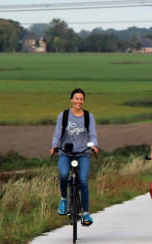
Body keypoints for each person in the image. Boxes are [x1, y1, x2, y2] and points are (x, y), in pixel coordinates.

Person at [50, 88, 99, 226]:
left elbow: (93, 134)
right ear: (71, 100)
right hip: (66, 153)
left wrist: (94, 145)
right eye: (76, 98)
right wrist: (54, 145)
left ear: (84, 101)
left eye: (81, 99)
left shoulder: (89, 116)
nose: (79, 101)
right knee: (64, 174)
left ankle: (86, 213)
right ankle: (64, 199)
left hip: (83, 153)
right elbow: (57, 134)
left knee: (83, 180)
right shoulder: (64, 115)